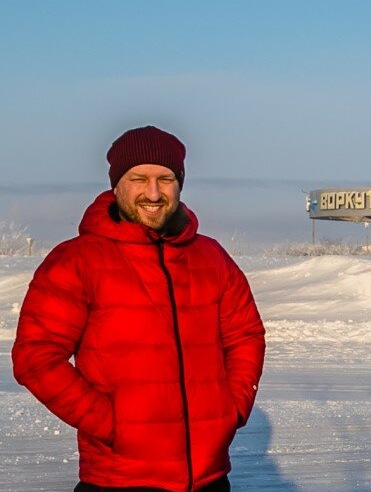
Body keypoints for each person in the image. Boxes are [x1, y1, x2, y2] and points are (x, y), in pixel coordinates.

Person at [12, 125, 266, 492]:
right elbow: (36, 357)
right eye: (139, 178)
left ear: (180, 184)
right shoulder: (77, 260)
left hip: (209, 477)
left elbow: (245, 335)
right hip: (119, 478)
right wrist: (112, 424)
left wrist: (233, 409)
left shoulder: (211, 257)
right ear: (116, 186)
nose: (153, 192)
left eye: (165, 179)